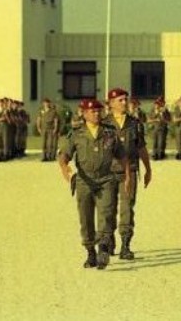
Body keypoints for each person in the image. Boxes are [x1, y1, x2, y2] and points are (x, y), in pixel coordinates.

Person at [58, 99, 131, 270]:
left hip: (106, 180)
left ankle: (103, 248)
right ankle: (90, 251)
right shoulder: (76, 134)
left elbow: (122, 156)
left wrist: (127, 176)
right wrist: (64, 168)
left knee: (106, 213)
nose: (96, 114)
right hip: (85, 181)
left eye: (99, 111)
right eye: (92, 112)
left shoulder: (110, 132)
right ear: (84, 114)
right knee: (86, 217)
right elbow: (64, 155)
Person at [104, 88, 152, 259]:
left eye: (126, 100)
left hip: (129, 171)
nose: (125, 103)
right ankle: (108, 239)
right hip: (108, 173)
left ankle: (125, 244)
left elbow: (141, 147)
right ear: (111, 103)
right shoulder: (103, 124)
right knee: (107, 209)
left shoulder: (134, 123)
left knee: (127, 209)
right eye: (120, 100)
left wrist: (148, 169)